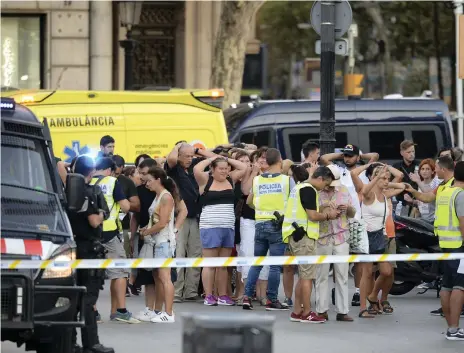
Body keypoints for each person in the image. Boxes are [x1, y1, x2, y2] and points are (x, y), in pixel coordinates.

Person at [320, 144, 379, 306]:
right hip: (338, 220)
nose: (347, 158)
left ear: (357, 157)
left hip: (357, 219)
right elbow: (324, 159)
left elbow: (375, 156)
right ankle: (336, 289)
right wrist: (340, 155)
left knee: (359, 258)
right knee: (338, 258)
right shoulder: (338, 170)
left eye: (350, 156)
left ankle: (358, 291)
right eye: (345, 156)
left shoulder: (364, 172)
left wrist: (361, 157)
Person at [68, 156, 114, 353]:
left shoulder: (66, 191)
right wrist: (103, 212)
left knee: (72, 297)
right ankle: (91, 343)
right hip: (89, 250)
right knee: (88, 299)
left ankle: (70, 343)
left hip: (72, 248)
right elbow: (95, 221)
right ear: (92, 171)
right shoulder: (89, 192)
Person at [283, 166, 340, 323]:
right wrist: (329, 215)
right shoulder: (309, 189)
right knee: (307, 277)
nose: (325, 188)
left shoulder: (299, 187)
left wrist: (323, 207)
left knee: (303, 277)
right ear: (320, 178)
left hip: (294, 236)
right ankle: (307, 312)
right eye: (326, 184)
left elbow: (304, 210)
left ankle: (297, 311)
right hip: (304, 238)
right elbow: (313, 216)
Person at [243, 148, 294, 311]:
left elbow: (249, 201)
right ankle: (272, 299)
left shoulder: (257, 180)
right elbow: (293, 201)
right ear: (279, 161)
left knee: (257, 263)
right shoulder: (286, 180)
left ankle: (247, 296)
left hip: (260, 224)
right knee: (274, 265)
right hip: (277, 225)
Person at [352, 163, 406, 318]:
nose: (386, 180)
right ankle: (363, 308)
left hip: (380, 236)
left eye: (387, 178)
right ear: (375, 178)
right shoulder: (369, 195)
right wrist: (374, 173)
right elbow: (359, 181)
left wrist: (387, 179)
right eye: (384, 178)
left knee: (386, 271)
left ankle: (373, 296)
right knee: (367, 273)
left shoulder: (385, 194)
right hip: (367, 236)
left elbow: (402, 186)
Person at [194, 154, 247, 306]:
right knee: (210, 263)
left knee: (223, 264)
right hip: (210, 226)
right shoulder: (206, 180)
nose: (224, 171)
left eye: (226, 169)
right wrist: (212, 158)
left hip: (228, 226)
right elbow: (197, 168)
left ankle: (223, 295)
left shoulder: (231, 179)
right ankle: (209, 295)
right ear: (213, 169)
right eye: (221, 169)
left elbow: (243, 167)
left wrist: (225, 158)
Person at [90, 157, 139, 323]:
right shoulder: (112, 181)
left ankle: (93, 312)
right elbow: (125, 206)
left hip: (90, 234)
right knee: (119, 271)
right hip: (110, 233)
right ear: (110, 170)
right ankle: (120, 310)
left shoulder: (86, 180)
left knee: (91, 273)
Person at [165, 142, 216, 302]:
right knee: (179, 253)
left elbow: (215, 159)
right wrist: (177, 146)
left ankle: (191, 291)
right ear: (179, 156)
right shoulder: (174, 169)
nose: (189, 159)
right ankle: (177, 292)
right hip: (180, 217)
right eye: (186, 156)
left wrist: (196, 150)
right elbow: (171, 158)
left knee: (195, 253)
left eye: (191, 156)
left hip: (196, 216)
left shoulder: (194, 167)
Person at [140, 167, 182, 323]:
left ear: (158, 179)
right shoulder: (158, 196)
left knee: (165, 278)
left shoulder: (166, 197)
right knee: (159, 278)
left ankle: (169, 313)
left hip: (164, 242)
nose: (147, 184)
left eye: (149, 180)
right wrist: (147, 229)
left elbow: (163, 222)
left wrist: (147, 231)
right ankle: (159, 311)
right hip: (158, 241)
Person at [316, 164, 356, 322]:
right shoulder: (316, 191)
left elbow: (353, 213)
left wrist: (348, 208)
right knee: (321, 275)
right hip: (323, 236)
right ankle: (321, 310)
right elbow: (310, 211)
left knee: (342, 275)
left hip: (340, 236)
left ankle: (342, 310)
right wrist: (325, 208)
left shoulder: (344, 190)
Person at [112, 155, 140, 295]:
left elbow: (136, 205)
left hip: (123, 227)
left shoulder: (126, 182)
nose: (113, 175)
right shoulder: (100, 180)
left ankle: (125, 287)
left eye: (116, 172)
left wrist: (122, 203)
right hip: (102, 228)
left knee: (123, 260)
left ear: (122, 168)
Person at [404, 158, 440, 223]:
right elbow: (421, 201)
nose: (424, 171)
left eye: (427, 169)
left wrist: (418, 181)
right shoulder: (421, 183)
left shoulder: (436, 181)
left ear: (432, 171)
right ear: (419, 171)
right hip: (423, 219)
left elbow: (428, 195)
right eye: (422, 169)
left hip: (434, 220)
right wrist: (412, 201)